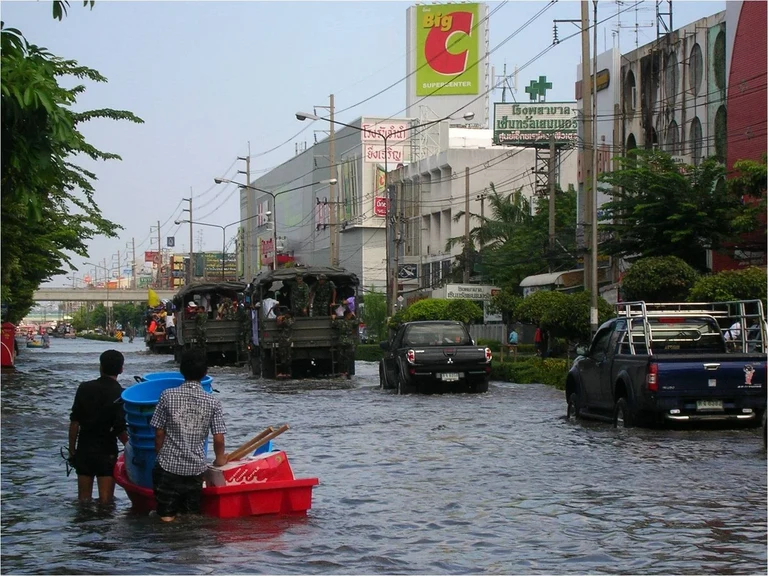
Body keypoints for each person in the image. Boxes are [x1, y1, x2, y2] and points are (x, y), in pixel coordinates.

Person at [150, 350, 227, 522]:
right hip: (195, 469)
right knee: (191, 517)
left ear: (181, 371)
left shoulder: (167, 396)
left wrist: (159, 456)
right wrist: (220, 459)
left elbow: (159, 433)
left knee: (166, 516)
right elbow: (219, 438)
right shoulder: (213, 402)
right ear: (205, 373)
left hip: (168, 466)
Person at [68, 350, 128, 504]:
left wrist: (72, 450)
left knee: (83, 502)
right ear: (121, 369)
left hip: (84, 450)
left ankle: (82, 525)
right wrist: (131, 449)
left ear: (100, 367)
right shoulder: (121, 394)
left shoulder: (84, 388)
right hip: (106, 452)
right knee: (106, 503)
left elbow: (74, 422)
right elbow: (120, 428)